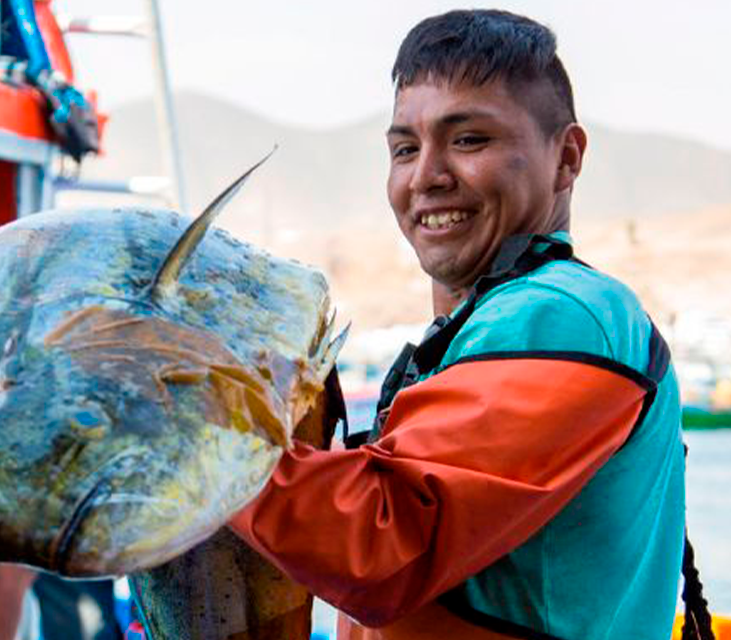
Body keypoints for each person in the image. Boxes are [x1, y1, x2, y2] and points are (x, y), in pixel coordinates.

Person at [229, 10, 692, 640]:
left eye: (469, 139)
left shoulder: (561, 313)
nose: (427, 176)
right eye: (405, 149)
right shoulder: (489, 326)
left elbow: (377, 545)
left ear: (567, 157)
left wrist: (179, 418)